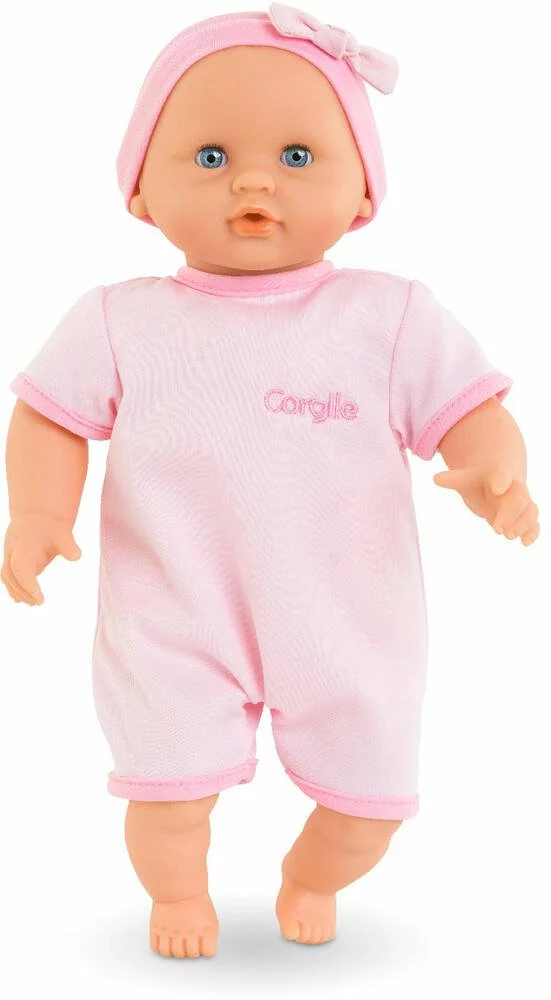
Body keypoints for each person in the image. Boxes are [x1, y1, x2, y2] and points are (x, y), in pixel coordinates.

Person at [2, 3, 539, 960]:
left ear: (363, 192)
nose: (253, 180)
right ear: (140, 191)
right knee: (166, 796)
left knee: (368, 808)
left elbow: (468, 408)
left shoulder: (388, 317)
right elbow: (50, 416)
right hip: (173, 611)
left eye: (297, 156)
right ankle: (178, 897)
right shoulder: (120, 320)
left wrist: (494, 465)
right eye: (210, 157)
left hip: (348, 616)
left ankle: (310, 875)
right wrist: (39, 510)